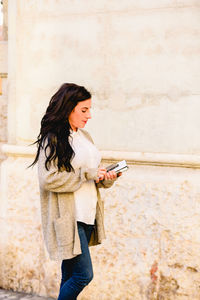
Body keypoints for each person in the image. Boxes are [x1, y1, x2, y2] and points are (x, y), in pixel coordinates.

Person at [30, 83, 122, 300]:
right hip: (69, 218)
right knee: (83, 275)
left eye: (90, 109)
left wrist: (106, 176)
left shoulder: (85, 137)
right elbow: (48, 179)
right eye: (84, 110)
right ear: (68, 108)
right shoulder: (52, 139)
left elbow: (90, 177)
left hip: (88, 213)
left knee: (69, 274)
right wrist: (86, 174)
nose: (89, 115)